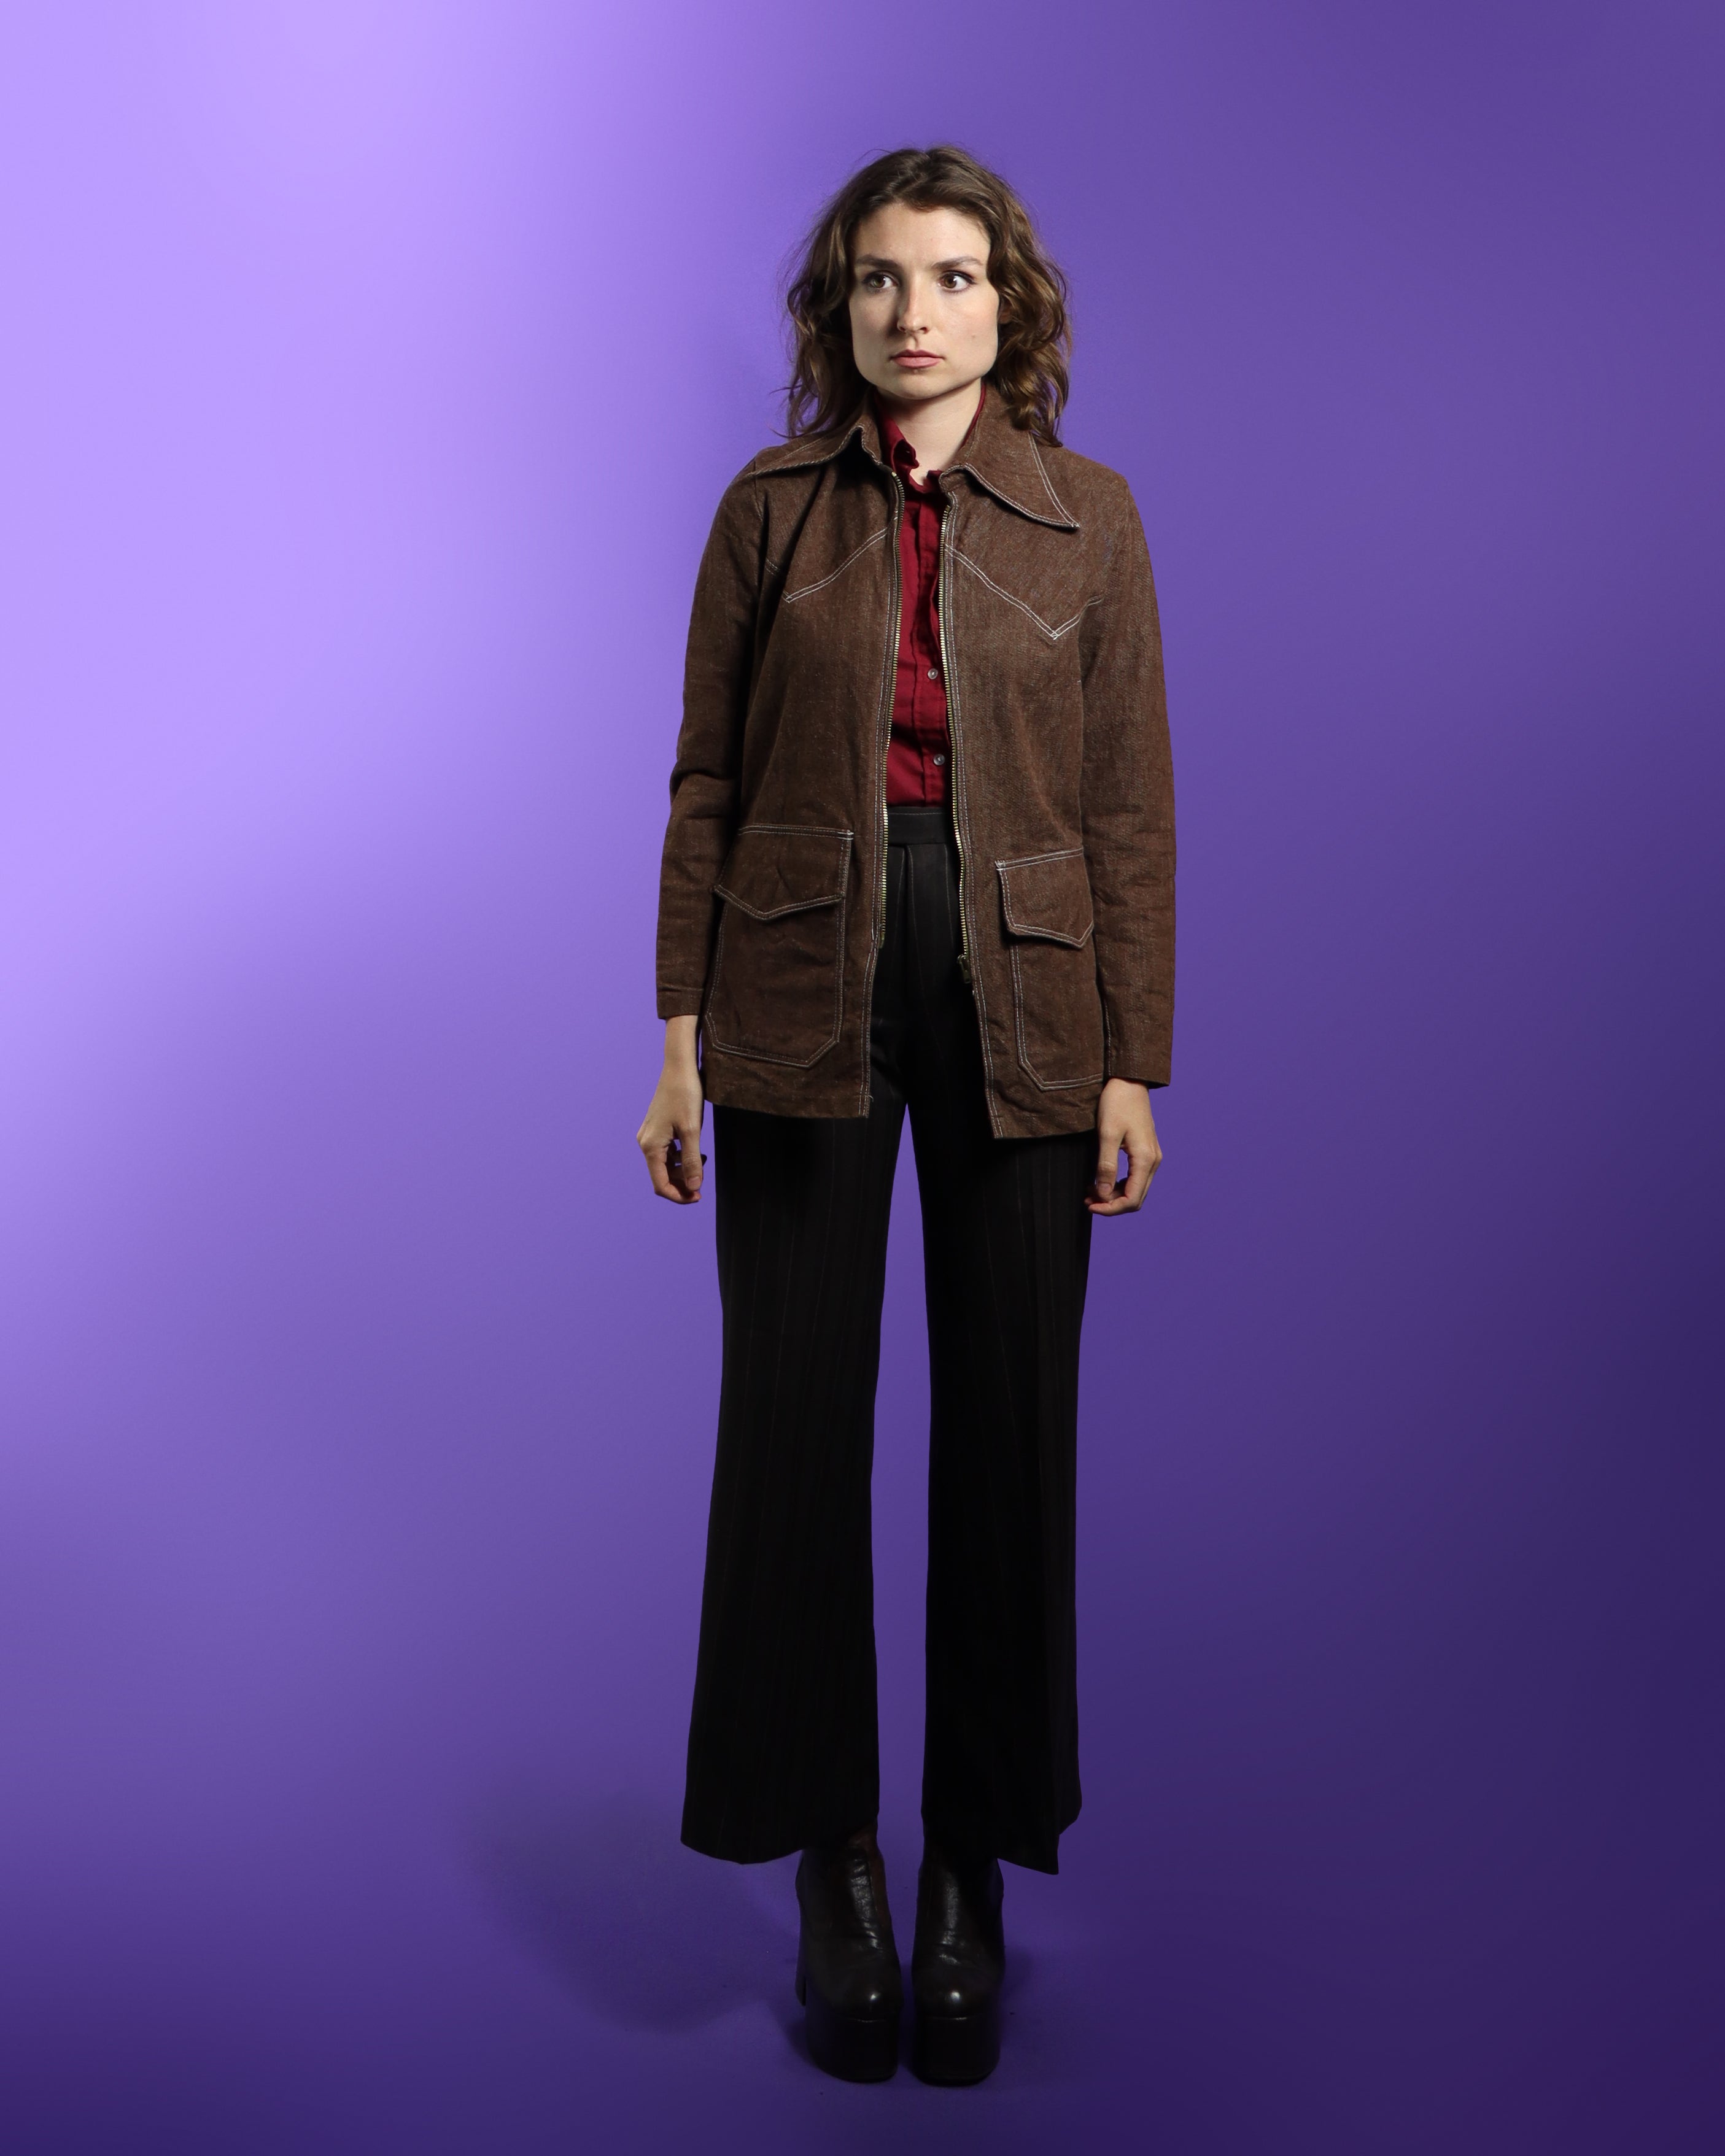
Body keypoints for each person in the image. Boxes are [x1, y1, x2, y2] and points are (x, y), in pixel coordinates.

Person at [636, 144, 1174, 2085]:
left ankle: (968, 1870)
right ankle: (835, 1863)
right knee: (792, 1428)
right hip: (796, 974)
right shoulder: (767, 512)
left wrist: (1129, 1058)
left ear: (1004, 307)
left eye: (951, 275)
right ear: (837, 306)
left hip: (1026, 985)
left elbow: (1127, 801)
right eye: (878, 276)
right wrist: (678, 1034)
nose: (913, 309)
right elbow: (704, 781)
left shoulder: (1088, 520)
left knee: (1009, 1431)